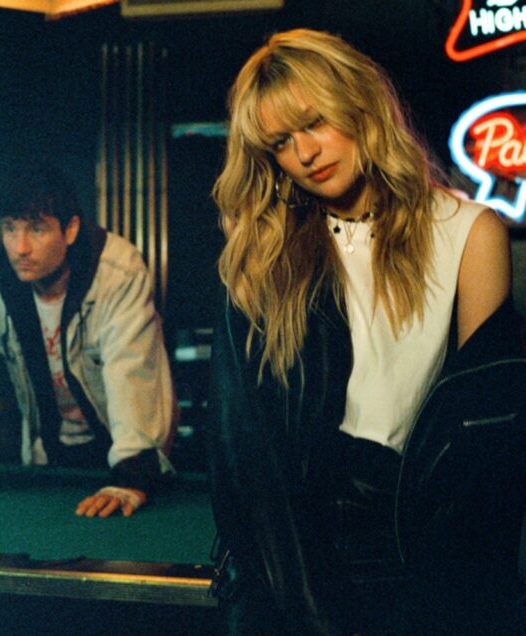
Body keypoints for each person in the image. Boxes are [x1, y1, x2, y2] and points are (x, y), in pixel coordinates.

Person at [207, 28, 526, 634]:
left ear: (360, 105)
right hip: (294, 545)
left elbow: (483, 439)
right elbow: (241, 449)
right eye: (280, 142)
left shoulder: (469, 230)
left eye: (316, 121)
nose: (304, 152)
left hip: (414, 539)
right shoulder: (266, 252)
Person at [0, 163, 176, 518]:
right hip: (47, 459)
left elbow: (131, 370)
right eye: (10, 229)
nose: (20, 247)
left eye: (37, 229)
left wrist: (133, 474)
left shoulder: (118, 273)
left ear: (70, 229)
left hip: (125, 456)